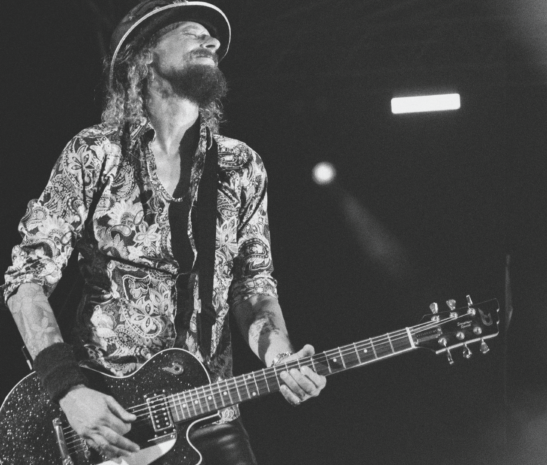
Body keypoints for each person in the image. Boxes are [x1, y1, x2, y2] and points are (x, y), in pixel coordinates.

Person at [2, 1, 326, 463]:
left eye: (211, 38)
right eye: (193, 33)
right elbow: (26, 279)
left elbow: (252, 286)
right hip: (110, 422)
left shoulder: (241, 166)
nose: (211, 42)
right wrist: (69, 391)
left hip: (210, 413)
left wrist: (280, 356)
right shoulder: (95, 154)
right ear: (144, 55)